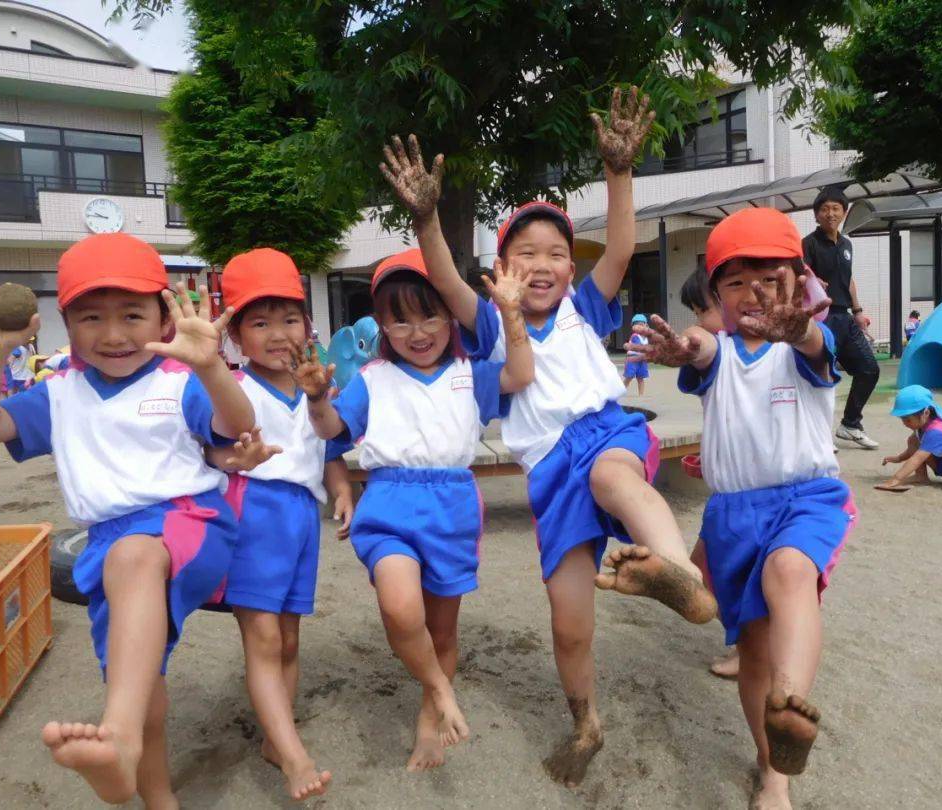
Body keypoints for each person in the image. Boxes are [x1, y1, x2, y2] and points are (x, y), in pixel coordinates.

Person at [378, 86, 717, 788]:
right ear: (500, 270)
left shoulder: (583, 308)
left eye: (556, 253)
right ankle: (585, 721)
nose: (541, 263)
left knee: (615, 480)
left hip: (604, 432)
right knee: (569, 621)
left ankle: (679, 573)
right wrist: (426, 219)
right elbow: (442, 273)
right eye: (523, 253)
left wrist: (620, 173)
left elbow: (621, 245)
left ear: (572, 267)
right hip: (548, 473)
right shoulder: (487, 322)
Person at [0, 232, 256, 807]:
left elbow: (237, 424)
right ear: (65, 323)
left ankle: (117, 738)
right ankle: (155, 794)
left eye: (133, 315)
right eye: (92, 317)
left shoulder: (177, 381)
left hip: (187, 521)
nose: (114, 335)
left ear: (163, 319)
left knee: (134, 557)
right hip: (107, 547)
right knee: (139, 679)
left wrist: (211, 367)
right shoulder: (60, 393)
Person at [634, 206, 857, 810]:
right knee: (752, 649)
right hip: (732, 515)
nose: (753, 293)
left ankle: (789, 710)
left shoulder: (808, 347)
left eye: (770, 278)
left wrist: (802, 327)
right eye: (735, 283)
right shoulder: (720, 352)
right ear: (716, 295)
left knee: (791, 573)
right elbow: (702, 346)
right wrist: (685, 345)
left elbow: (814, 343)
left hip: (805, 500)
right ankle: (770, 760)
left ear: (800, 281)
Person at [293, 248, 534, 772]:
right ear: (380, 323)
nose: (417, 331)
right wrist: (316, 399)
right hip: (389, 505)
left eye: (430, 314)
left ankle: (429, 722)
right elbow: (333, 431)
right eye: (399, 319)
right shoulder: (374, 378)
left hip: (452, 509)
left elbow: (522, 373)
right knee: (401, 610)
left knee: (443, 631)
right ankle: (441, 690)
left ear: (451, 316)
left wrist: (511, 314)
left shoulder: (471, 374)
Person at [211, 247, 355, 800]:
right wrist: (229, 461)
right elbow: (211, 449)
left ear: (308, 325)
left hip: (300, 518)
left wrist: (341, 490)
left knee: (289, 638)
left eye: (289, 318)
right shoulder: (235, 390)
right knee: (264, 635)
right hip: (254, 511)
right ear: (235, 335)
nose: (277, 334)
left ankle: (278, 736)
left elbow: (326, 449)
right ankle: (293, 756)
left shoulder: (314, 385)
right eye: (260, 321)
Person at [678, 268, 739, 679]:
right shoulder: (716, 351)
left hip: (742, 495)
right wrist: (711, 456)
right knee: (699, 565)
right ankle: (743, 637)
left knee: (724, 571)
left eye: (704, 309)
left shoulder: (743, 352)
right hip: (726, 487)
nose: (699, 319)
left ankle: (748, 645)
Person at [802, 186, 880, 449]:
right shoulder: (808, 244)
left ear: (844, 213)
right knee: (822, 377)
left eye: (836, 208)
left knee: (869, 369)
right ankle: (818, 435)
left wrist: (858, 312)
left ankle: (850, 424)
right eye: (824, 209)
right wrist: (812, 281)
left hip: (844, 317)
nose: (830, 213)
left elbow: (849, 280)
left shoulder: (846, 244)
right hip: (820, 319)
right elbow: (799, 275)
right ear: (816, 215)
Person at [881, 384, 942, 495]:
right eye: (902, 419)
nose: (904, 423)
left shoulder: (936, 430)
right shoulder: (922, 426)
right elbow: (916, 449)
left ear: (926, 413)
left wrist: (896, 479)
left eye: (908, 420)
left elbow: (918, 458)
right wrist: (899, 458)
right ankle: (921, 476)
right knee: (913, 440)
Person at [623, 314, 650, 395]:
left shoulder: (646, 337)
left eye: (641, 324)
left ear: (646, 325)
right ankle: (619, 392)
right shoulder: (634, 336)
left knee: (640, 378)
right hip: (633, 359)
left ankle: (641, 395)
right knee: (629, 377)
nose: (639, 326)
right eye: (636, 324)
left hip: (642, 360)